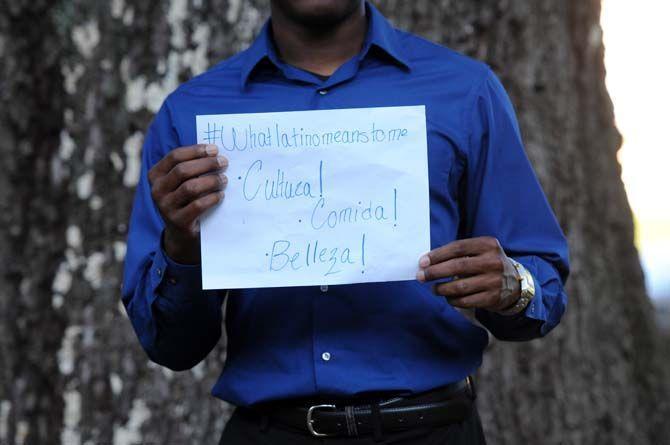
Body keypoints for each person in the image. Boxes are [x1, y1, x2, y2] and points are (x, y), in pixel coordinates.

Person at [121, 1, 570, 443]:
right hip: (270, 434)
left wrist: (514, 285)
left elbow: (542, 285)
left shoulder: (466, 91)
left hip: (433, 430)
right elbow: (172, 348)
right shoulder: (191, 114)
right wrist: (181, 246)